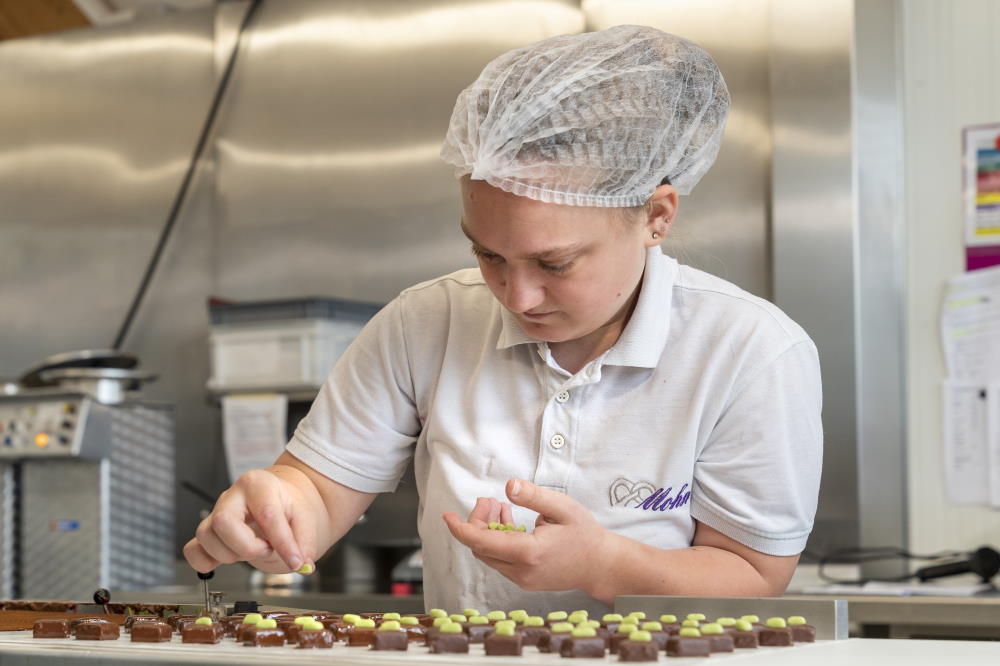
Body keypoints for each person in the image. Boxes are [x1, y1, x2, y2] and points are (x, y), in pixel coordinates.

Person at [184, 25, 822, 615]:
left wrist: (605, 563)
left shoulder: (749, 350)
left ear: (656, 216)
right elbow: (318, 494)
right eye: (487, 254)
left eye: (556, 262)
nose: (517, 296)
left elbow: (754, 573)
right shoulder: (424, 323)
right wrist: (273, 514)